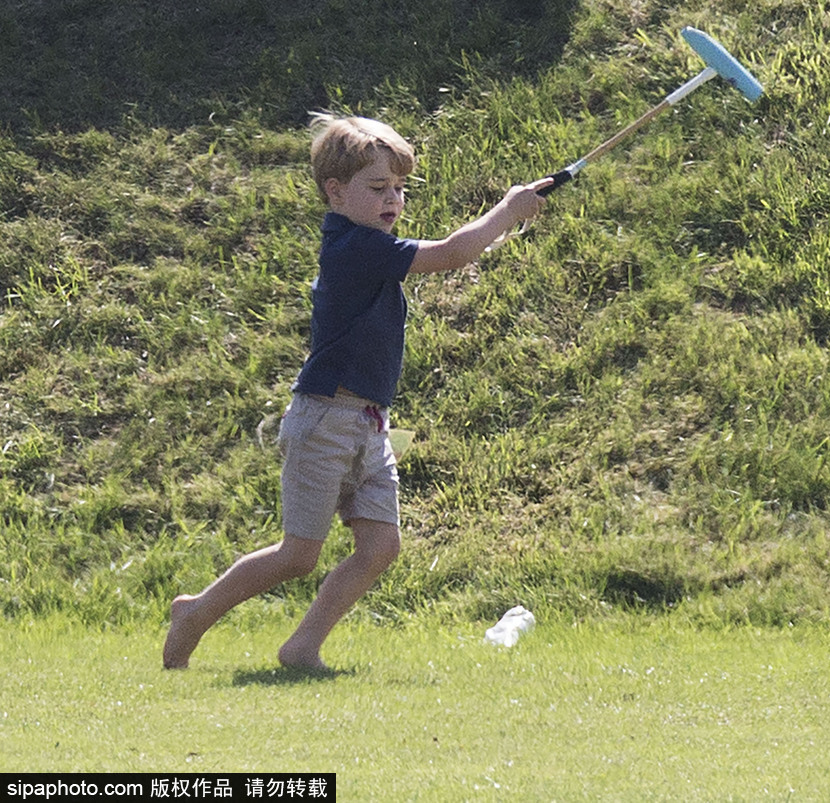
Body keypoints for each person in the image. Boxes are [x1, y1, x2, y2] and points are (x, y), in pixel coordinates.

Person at [163, 115, 551, 671]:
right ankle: (196, 611)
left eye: (399, 188)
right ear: (336, 192)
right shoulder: (355, 247)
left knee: (379, 548)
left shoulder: (372, 245)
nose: (393, 199)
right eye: (378, 189)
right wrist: (507, 212)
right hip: (324, 421)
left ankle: (302, 648)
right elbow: (448, 254)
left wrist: (508, 215)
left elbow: (445, 252)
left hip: (369, 424)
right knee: (298, 556)